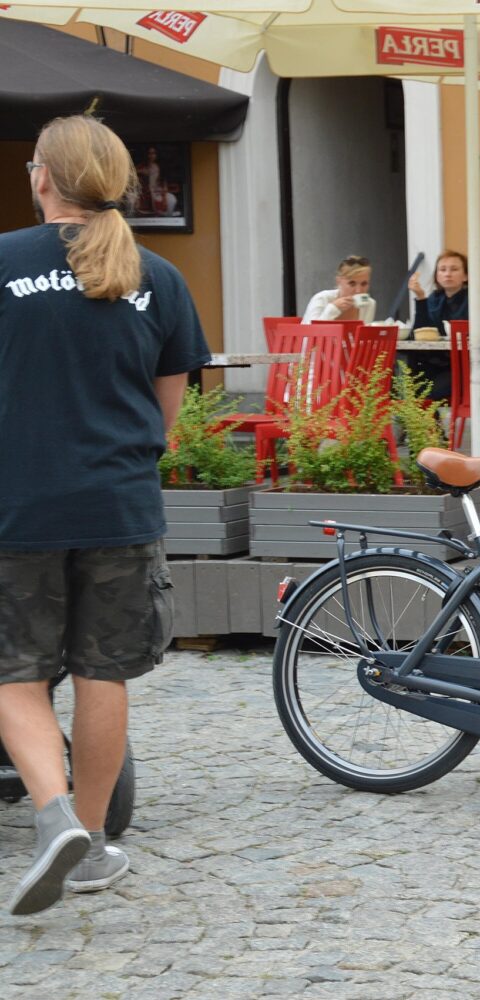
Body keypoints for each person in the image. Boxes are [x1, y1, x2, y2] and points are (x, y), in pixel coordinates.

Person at [0, 115, 209, 915]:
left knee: (14, 671)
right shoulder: (158, 274)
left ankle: (55, 815)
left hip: (16, 503)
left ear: (42, 178)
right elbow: (165, 417)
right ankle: (89, 838)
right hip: (120, 505)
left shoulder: (4, 264)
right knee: (102, 671)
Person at [404, 249, 480, 400]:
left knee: (427, 391)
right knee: (410, 378)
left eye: (454, 269)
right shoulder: (433, 298)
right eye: (442, 270)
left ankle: (429, 418)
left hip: (465, 365)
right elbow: (420, 332)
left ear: (465, 275)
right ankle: (426, 421)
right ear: (437, 276)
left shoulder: (474, 297)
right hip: (436, 362)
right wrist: (421, 298)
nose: (447, 274)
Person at [302, 255, 376, 324]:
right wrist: (333, 308)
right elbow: (309, 335)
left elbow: (364, 336)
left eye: (364, 284)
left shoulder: (369, 304)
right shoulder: (322, 298)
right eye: (352, 284)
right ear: (338, 281)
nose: (358, 290)